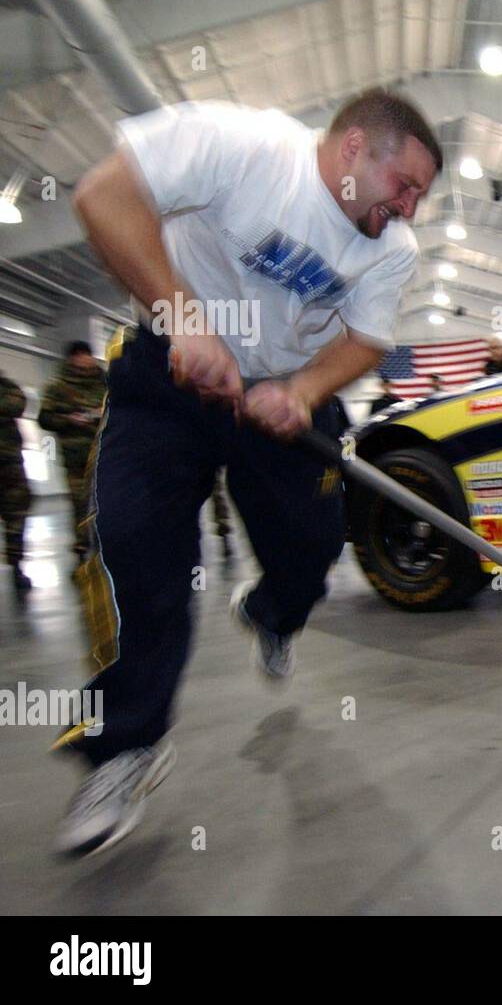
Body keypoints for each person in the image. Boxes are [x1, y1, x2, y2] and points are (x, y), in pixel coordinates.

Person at [53, 88, 440, 857]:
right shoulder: (241, 146)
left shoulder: (390, 250)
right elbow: (104, 196)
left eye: (420, 198)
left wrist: (300, 392)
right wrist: (183, 320)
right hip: (168, 379)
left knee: (313, 544)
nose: (410, 210)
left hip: (280, 395)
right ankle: (126, 746)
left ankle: (272, 613)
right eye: (406, 187)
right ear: (355, 148)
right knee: (133, 546)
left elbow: (366, 340)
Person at [37, 340, 107, 563]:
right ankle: (81, 544)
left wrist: (103, 413)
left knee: (106, 501)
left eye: (87, 355)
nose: (84, 359)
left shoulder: (106, 383)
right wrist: (68, 419)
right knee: (80, 502)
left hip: (106, 454)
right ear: (71, 359)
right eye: (79, 356)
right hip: (76, 457)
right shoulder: (57, 387)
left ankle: (104, 543)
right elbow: (44, 418)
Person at [0, 371, 31, 591]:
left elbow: (16, 405)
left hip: (9, 466)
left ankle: (16, 565)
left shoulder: (7, 386)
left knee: (17, 518)